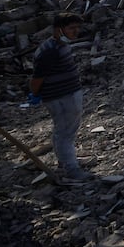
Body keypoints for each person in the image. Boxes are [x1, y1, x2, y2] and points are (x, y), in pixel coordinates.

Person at [30, 12, 91, 182]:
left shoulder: (60, 45)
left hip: (66, 94)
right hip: (61, 97)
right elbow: (37, 79)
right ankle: (71, 169)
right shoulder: (50, 51)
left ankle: (64, 163)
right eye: (72, 28)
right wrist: (34, 93)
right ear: (59, 29)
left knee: (63, 131)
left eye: (78, 27)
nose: (76, 31)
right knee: (65, 133)